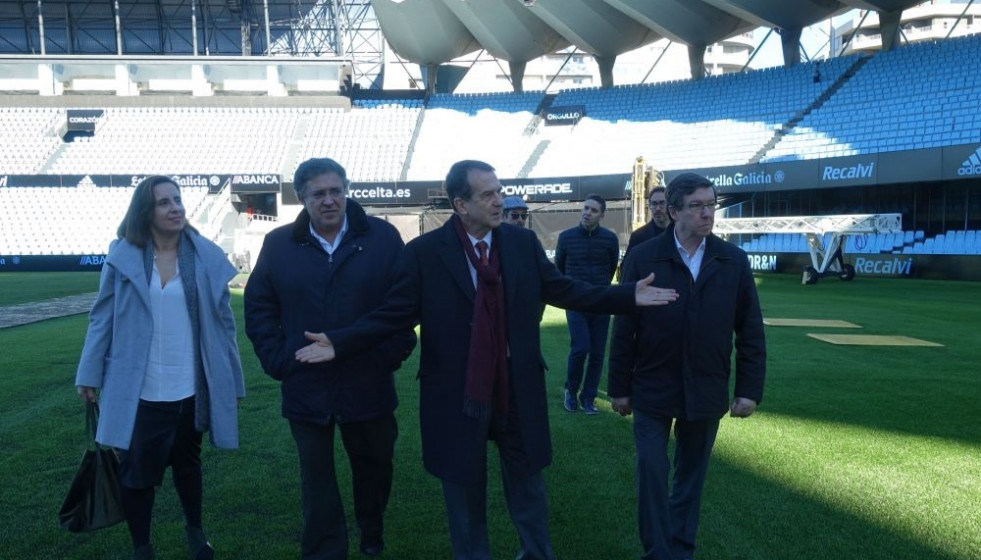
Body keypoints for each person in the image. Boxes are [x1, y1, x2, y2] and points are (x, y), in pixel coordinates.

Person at [294, 160, 678, 560]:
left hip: (517, 386)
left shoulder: (521, 243)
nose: (499, 201)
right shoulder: (425, 253)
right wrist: (341, 342)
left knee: (528, 486)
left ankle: (537, 554)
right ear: (461, 205)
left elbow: (565, 290)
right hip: (456, 392)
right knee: (463, 491)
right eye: (488, 195)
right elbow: (393, 314)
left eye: (499, 191)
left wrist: (626, 295)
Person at [243, 158, 416, 559]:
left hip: (368, 379)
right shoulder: (279, 244)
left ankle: (371, 529)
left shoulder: (382, 237)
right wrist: (279, 359)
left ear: (346, 191)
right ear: (302, 198)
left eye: (336, 191)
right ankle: (325, 548)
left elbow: (404, 305)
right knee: (316, 478)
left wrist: (389, 354)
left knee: (375, 466)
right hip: (306, 382)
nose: (329, 200)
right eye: (318, 193)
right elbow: (259, 306)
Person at [75, 175, 245, 560]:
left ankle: (195, 532)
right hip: (138, 388)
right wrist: (89, 372)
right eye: (164, 202)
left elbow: (225, 327)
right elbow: (102, 317)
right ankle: (142, 547)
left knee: (188, 465)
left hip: (189, 386)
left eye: (177, 199)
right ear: (145, 212)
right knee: (136, 474)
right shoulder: (123, 256)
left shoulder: (204, 257)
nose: (175, 208)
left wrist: (232, 381)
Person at [608, 172, 766, 560]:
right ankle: (657, 553)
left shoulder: (733, 260)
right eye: (696, 206)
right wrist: (619, 388)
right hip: (652, 385)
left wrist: (748, 390)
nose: (707, 213)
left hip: (706, 386)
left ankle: (679, 551)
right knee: (651, 471)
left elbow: (750, 331)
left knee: (689, 480)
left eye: (711, 205)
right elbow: (624, 326)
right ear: (674, 211)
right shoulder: (644, 257)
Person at [554, 194, 620, 415]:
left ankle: (588, 398)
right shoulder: (566, 237)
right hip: (576, 302)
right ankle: (571, 391)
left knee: (598, 353)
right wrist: (573, 292)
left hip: (601, 302)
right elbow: (560, 268)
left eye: (593, 210)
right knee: (581, 348)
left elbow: (611, 267)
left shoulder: (610, 239)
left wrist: (599, 290)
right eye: (585, 208)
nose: (587, 213)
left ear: (602, 215)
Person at [624, 185, 670, 259]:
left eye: (662, 203)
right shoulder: (638, 236)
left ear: (669, 205)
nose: (658, 208)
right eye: (654, 204)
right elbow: (627, 264)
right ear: (650, 206)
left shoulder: (680, 233)